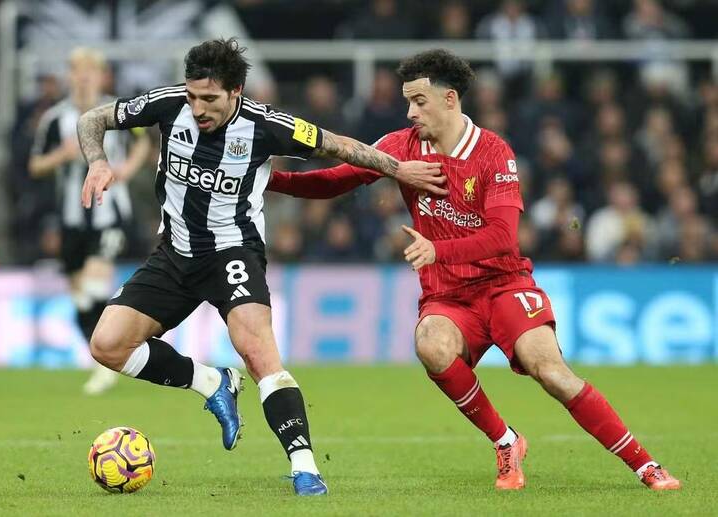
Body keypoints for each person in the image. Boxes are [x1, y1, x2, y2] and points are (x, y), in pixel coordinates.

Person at [267, 49, 680, 491]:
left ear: (449, 99)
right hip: (447, 296)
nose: (410, 112)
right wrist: (271, 180)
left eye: (419, 101)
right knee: (430, 343)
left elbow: (503, 237)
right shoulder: (400, 147)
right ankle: (505, 440)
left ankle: (645, 465)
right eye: (408, 101)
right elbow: (335, 180)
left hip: (503, 284)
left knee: (552, 372)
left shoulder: (493, 153)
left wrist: (437, 250)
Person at [75, 38, 445, 496]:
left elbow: (340, 145)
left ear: (236, 91)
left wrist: (398, 169)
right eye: (192, 97)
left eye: (209, 99)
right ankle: (212, 383)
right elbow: (93, 118)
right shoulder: (168, 104)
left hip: (233, 254)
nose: (197, 108)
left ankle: (305, 466)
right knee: (107, 345)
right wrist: (96, 161)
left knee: (258, 353)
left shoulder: (268, 125)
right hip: (173, 252)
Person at [29, 48, 151, 395]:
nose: (82, 77)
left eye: (89, 70)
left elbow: (144, 141)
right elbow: (35, 166)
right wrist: (61, 156)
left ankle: (113, 358)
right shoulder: (55, 118)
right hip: (72, 219)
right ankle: (106, 358)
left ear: (101, 76)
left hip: (110, 215)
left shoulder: (119, 111)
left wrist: (127, 167)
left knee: (96, 284)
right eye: (76, 70)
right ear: (69, 76)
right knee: (81, 298)